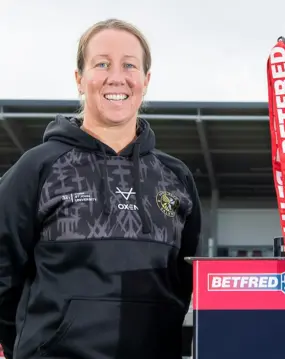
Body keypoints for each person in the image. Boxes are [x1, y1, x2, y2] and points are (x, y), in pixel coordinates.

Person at [0, 19, 201, 359]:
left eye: (129, 65)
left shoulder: (175, 177)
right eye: (102, 63)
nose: (116, 77)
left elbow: (184, 283)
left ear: (145, 81)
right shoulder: (38, 168)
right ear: (80, 78)